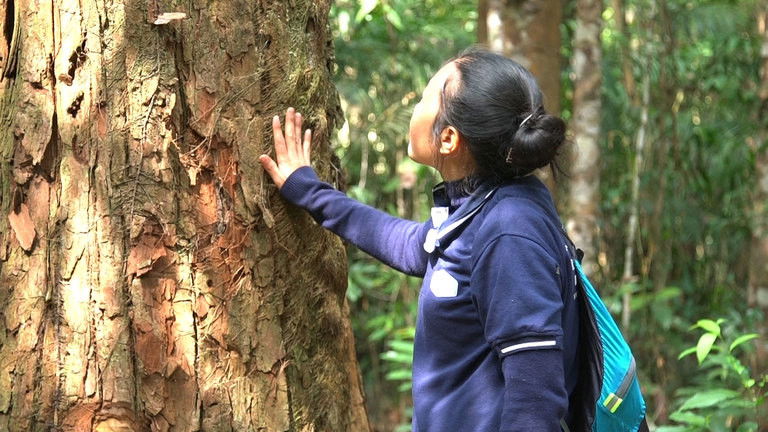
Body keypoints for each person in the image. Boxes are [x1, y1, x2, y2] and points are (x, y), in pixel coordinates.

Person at [259, 46, 580, 432]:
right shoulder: (488, 206)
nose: (416, 103)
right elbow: (414, 246)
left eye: (427, 96)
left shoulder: (509, 232)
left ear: (448, 139)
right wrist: (310, 191)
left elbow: (536, 398)